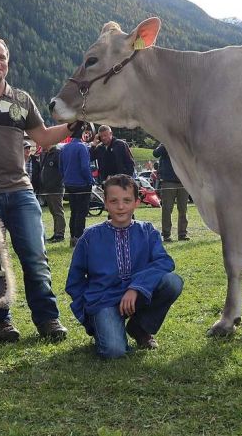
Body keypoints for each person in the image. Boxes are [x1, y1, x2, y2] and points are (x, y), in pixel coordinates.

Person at [0, 34, 81, 343]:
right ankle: (0, 321)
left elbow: (44, 138)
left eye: (2, 57)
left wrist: (75, 124)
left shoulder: (21, 99)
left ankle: (47, 319)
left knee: (35, 256)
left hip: (21, 190)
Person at [66, 174, 184, 359]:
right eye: (114, 201)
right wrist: (89, 313)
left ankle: (139, 327)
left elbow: (164, 262)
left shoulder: (147, 231)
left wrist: (136, 287)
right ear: (105, 203)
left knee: (172, 282)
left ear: (136, 202)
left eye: (127, 200)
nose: (120, 206)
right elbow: (75, 280)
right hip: (104, 300)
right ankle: (105, 326)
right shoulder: (90, 237)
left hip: (138, 296)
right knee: (114, 351)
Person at [60, 125, 95, 247]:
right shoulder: (82, 147)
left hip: (69, 183)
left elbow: (61, 167)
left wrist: (65, 178)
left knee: (74, 211)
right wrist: (90, 180)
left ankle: (72, 236)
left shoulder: (64, 148)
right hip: (82, 184)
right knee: (82, 212)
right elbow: (85, 167)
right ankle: (79, 238)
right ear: (81, 135)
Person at [153, 143, 189, 242]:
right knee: (167, 209)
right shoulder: (165, 143)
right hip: (168, 181)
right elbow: (155, 154)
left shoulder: (182, 143)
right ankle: (166, 234)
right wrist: (165, 142)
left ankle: (182, 234)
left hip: (183, 181)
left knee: (183, 209)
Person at [39, 142, 65, 243]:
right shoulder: (48, 154)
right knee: (54, 211)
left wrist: (57, 183)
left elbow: (61, 170)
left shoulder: (57, 153)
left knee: (58, 211)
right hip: (48, 188)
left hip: (56, 188)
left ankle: (59, 234)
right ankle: (56, 233)